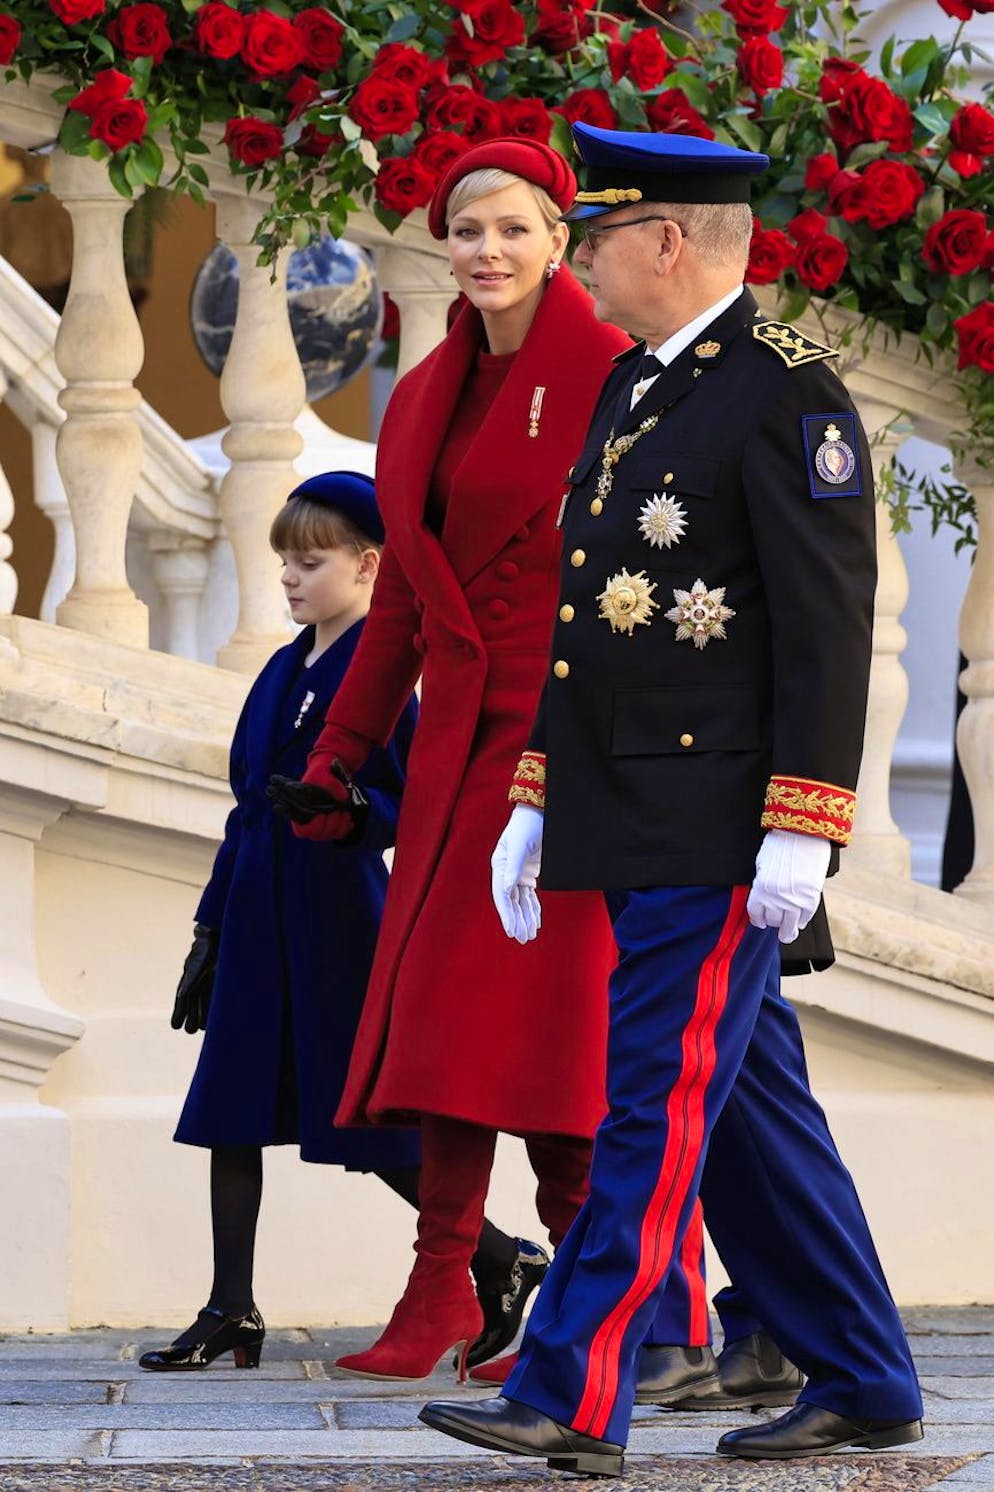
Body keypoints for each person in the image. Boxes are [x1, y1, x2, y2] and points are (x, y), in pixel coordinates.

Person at [420, 122, 924, 1473]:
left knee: (647, 1097)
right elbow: (595, 628)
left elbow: (825, 628)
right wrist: (536, 796)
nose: (574, 262)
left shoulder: (781, 395)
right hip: (635, 810)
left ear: (662, 241)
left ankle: (571, 1390)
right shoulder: (638, 390)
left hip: (718, 826)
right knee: (749, 1110)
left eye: (590, 238)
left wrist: (802, 825)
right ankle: (867, 1378)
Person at [267, 140, 630, 1384]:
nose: (485, 251)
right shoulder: (419, 392)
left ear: (558, 240)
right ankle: (444, 1292)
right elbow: (409, 607)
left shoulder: (613, 374)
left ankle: (607, 1301)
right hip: (454, 755)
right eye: (466, 230)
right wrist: (340, 755)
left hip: (570, 743)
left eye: (512, 229)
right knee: (447, 1025)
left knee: (550, 1028)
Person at [140, 472, 517, 1373]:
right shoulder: (281, 667)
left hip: (338, 919)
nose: (289, 578)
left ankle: (500, 1258)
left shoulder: (385, 673)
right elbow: (245, 811)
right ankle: (232, 1307)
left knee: (368, 1124)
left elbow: (404, 805)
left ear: (370, 565)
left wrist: (346, 807)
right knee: (228, 1107)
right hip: (255, 912)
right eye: (284, 561)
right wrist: (208, 932)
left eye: (310, 561)